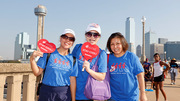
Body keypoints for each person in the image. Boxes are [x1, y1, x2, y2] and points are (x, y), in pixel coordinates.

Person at [30, 29, 78, 101]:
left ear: (73, 42)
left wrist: (73, 99)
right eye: (65, 37)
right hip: (47, 92)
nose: (68, 40)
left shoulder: (73, 59)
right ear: (60, 39)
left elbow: (72, 81)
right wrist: (32, 59)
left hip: (64, 94)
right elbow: (37, 72)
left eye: (71, 39)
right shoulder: (48, 53)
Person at [106, 32, 147, 101]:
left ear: (123, 44)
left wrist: (143, 93)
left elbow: (140, 75)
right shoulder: (108, 58)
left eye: (117, 44)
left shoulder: (131, 57)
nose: (115, 47)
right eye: (112, 44)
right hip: (113, 97)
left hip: (131, 97)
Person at [72, 23, 107, 100]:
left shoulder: (101, 53)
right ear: (85, 35)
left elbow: (102, 77)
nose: (92, 37)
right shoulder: (78, 48)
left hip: (88, 95)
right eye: (89, 34)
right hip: (72, 93)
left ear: (99, 37)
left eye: (95, 35)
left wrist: (89, 70)